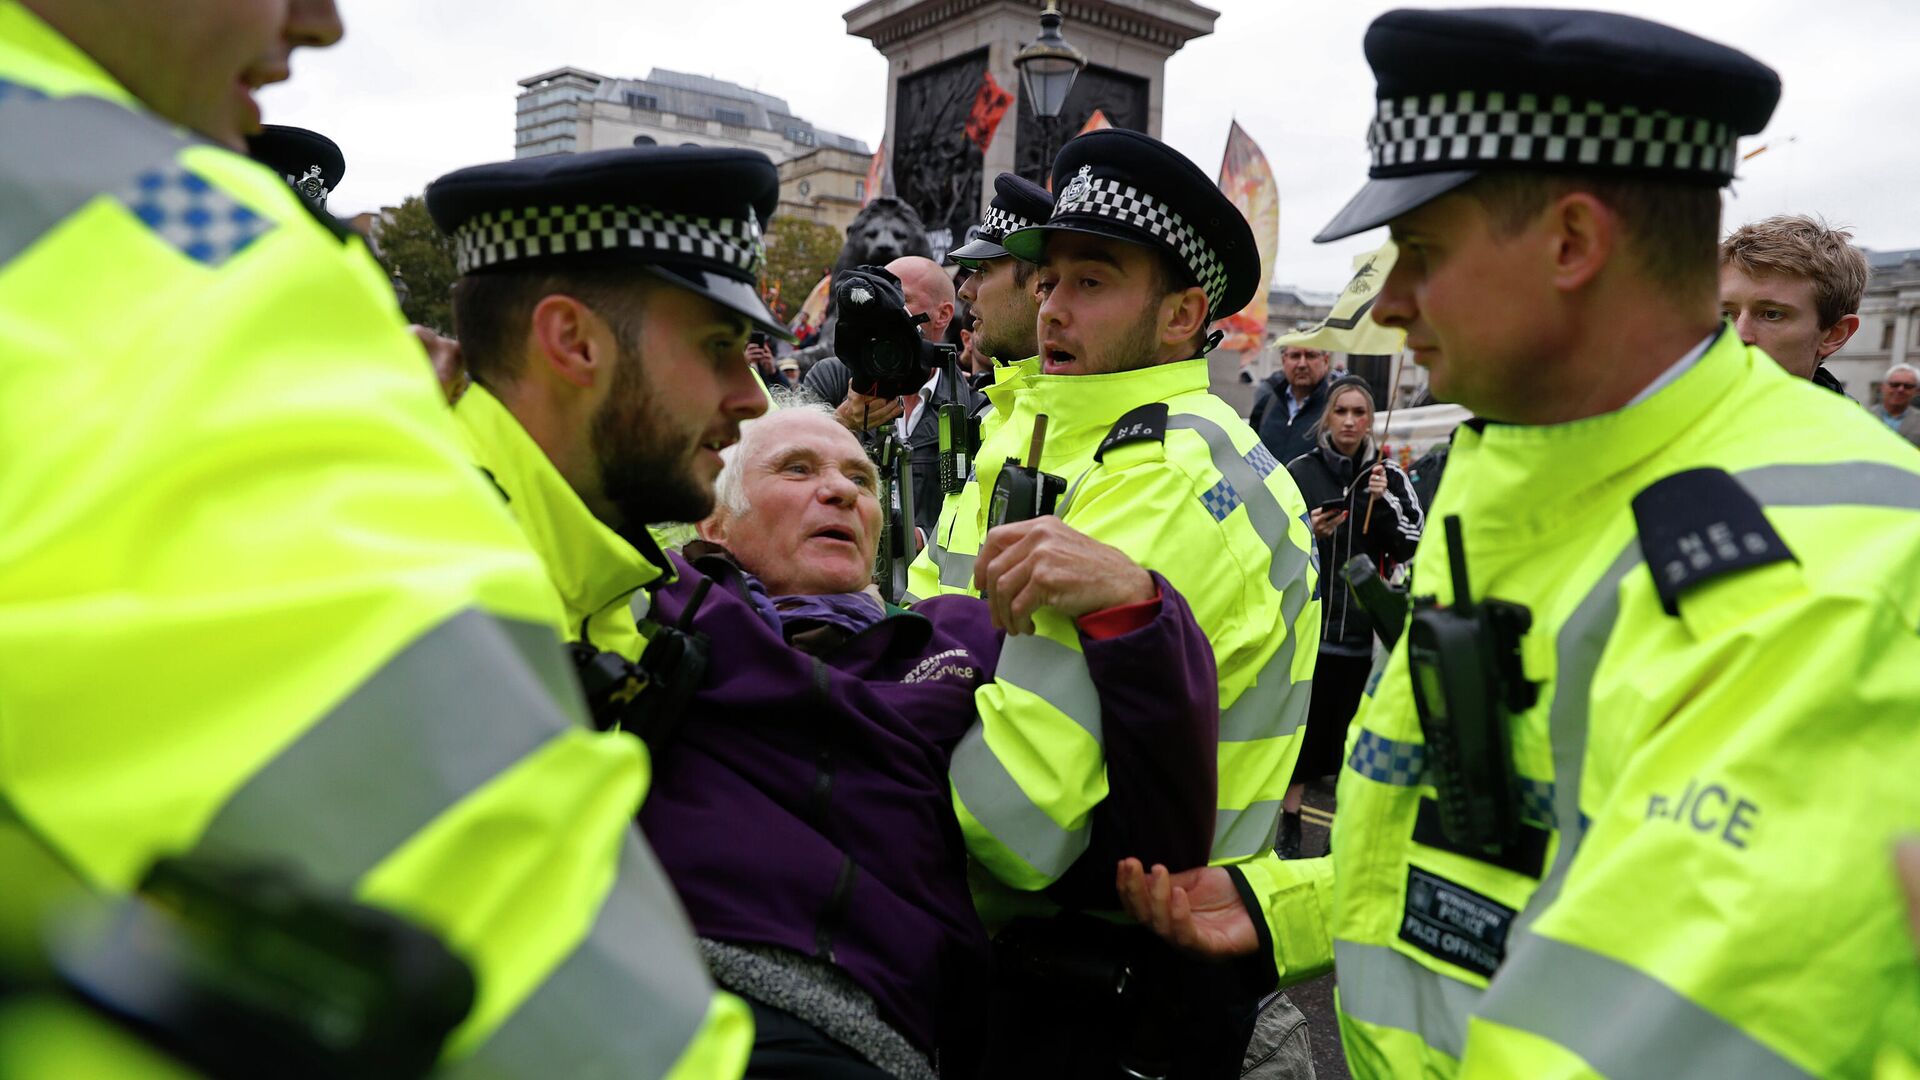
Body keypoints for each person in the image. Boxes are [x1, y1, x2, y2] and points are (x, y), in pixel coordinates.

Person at [1118, 9, 1920, 1077]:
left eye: (1421, 251)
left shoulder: (1830, 548)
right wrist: (1294, 905)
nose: (1392, 303)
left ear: (1575, 244)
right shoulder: (1538, 457)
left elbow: (1676, 1021)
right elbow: (1519, 832)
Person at [0, 2, 748, 1075]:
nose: (323, 23)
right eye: (719, 346)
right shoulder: (179, 261)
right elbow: (579, 1022)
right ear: (569, 342)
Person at [635, 401, 1220, 1078]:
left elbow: (1150, 858)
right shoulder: (657, 608)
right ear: (714, 522)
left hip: (862, 1031)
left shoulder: (958, 638)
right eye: (797, 469)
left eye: (859, 479)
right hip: (645, 978)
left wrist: (1136, 608)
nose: (840, 491)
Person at [909, 127, 1321, 1076]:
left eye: (1091, 282)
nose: (1052, 309)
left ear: (1181, 315)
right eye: (1049, 280)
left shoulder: (1161, 474)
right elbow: (916, 622)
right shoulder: (1070, 434)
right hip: (1094, 973)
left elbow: (1011, 817)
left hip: (1116, 992)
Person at [1278, 376, 1422, 858]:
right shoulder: (1300, 470)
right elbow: (1272, 543)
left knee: (1348, 740)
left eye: (1359, 413)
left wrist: (1380, 506)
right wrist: (1311, 532)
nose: (1349, 421)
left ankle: (1337, 834)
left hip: (1364, 636)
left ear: (1370, 421)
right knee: (1304, 732)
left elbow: (1410, 546)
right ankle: (1291, 819)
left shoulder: (1390, 477)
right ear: (1328, 417)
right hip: (1310, 628)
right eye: (1341, 411)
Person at [805, 254, 976, 537]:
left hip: (924, 576)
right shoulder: (831, 378)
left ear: (943, 315)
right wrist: (841, 421)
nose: (887, 311)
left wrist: (918, 538)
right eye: (882, 297)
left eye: (901, 299)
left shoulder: (967, 404)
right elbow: (788, 466)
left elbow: (975, 516)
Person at [1719, 214, 1869, 394]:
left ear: (1834, 335)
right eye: (1725, 314)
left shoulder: (1845, 423)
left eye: (1771, 314)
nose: (1738, 335)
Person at [1249, 345, 1333, 466]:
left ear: (1325, 361)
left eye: (1310, 356)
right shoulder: (1267, 405)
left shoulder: (1335, 409)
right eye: (1295, 356)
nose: (1302, 364)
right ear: (1284, 360)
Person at [1872, 363, 1920, 448]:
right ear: (1883, 387)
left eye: (1907, 386)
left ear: (1916, 391)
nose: (1900, 389)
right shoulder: (1863, 415)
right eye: (1895, 384)